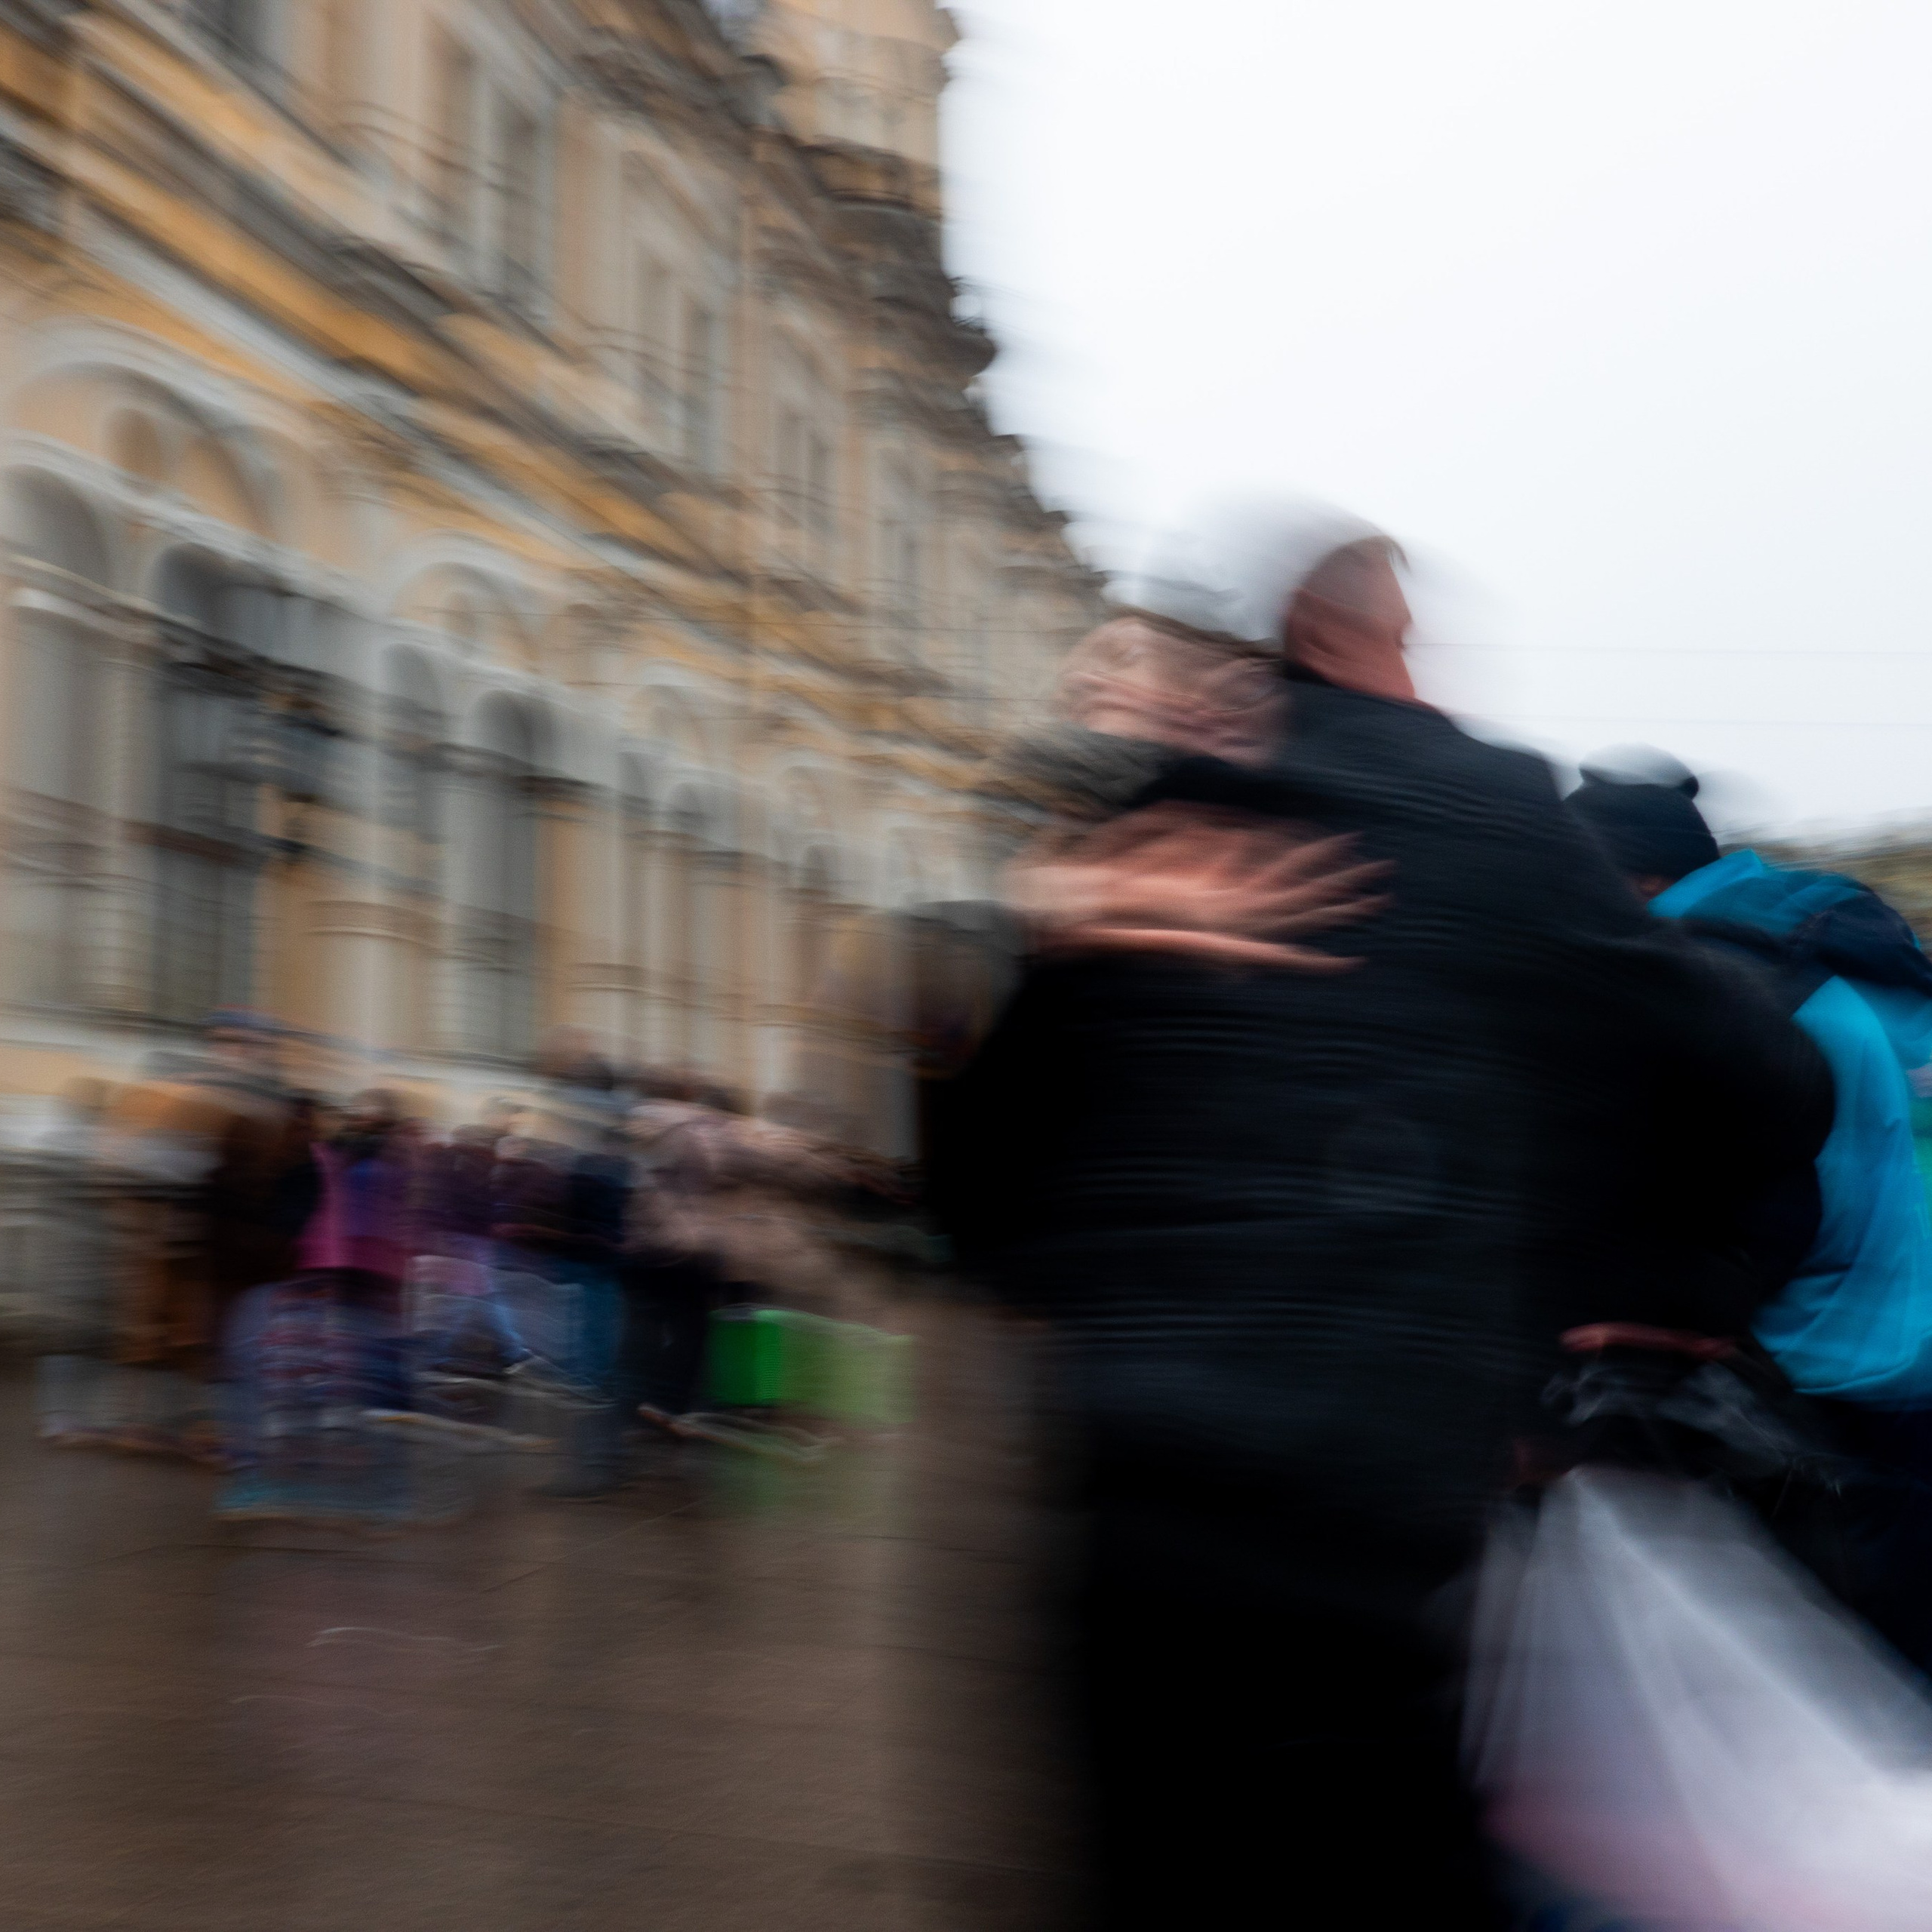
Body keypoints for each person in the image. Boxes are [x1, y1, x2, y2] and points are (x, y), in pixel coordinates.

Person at [931, 521, 1834, 1930]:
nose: (1423, 674)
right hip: (1376, 1513)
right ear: (1337, 639)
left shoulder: (1136, 845)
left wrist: (1053, 941)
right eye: (1408, 640)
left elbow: (967, 1204)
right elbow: (1768, 1081)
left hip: (1132, 1515)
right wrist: (1626, 1276)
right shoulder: (1491, 813)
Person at [1569, 762, 1932, 1660]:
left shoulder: (1720, 978)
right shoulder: (1837, 946)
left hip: (1826, 1370)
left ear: (1632, 878)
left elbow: (1767, 1199)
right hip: (1908, 1346)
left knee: (1836, 1674)